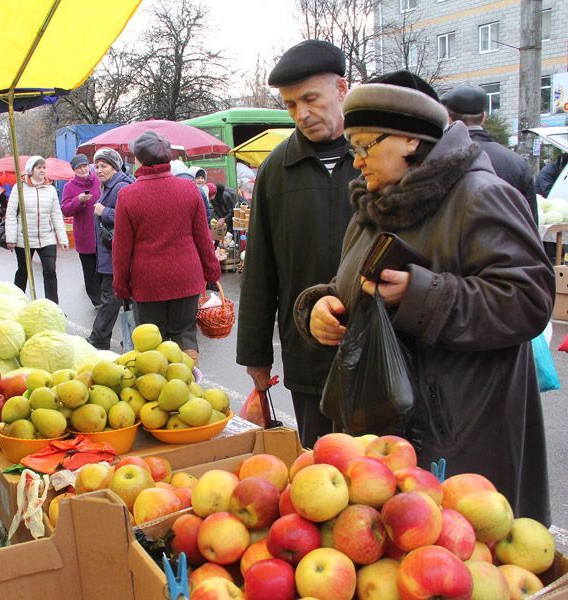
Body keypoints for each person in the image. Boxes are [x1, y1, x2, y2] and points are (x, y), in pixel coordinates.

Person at [294, 70, 553, 523]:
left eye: (365, 146)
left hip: (460, 432)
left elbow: (528, 298)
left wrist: (419, 294)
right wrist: (321, 307)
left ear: (410, 141)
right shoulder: (373, 205)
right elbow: (348, 284)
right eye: (353, 148)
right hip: (384, 430)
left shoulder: (481, 196)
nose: (356, 161)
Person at [236, 40, 359, 449]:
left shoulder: (374, 157)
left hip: (374, 347)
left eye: (310, 99)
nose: (301, 114)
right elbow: (260, 270)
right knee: (318, 462)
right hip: (306, 350)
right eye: (290, 105)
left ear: (341, 89)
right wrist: (255, 355)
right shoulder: (276, 168)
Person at [113, 132, 221, 364]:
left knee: (153, 340)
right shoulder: (189, 189)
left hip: (148, 282)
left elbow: (122, 248)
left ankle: (160, 389)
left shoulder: (128, 195)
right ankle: (189, 387)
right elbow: (203, 237)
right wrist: (212, 271)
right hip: (186, 278)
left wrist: (121, 284)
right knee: (184, 333)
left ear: (140, 161)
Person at [441, 84, 538, 224]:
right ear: (484, 117)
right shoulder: (516, 162)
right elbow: (531, 222)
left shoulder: (438, 160)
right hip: (506, 244)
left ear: (449, 119)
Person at [88, 148, 135, 349]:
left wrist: (104, 211)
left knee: (111, 298)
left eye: (103, 166)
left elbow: (129, 217)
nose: (98, 170)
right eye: (96, 166)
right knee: (125, 300)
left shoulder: (121, 187)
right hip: (111, 252)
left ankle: (98, 339)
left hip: (117, 254)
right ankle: (132, 340)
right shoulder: (108, 186)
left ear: (114, 167)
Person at [5, 156, 69, 303]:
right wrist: (11, 238)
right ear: (31, 170)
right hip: (24, 238)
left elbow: (56, 215)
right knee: (23, 271)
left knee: (50, 271)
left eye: (44, 167)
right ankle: (16, 303)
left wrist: (62, 238)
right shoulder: (19, 187)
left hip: (47, 238)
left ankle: (52, 306)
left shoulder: (51, 189)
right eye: (38, 167)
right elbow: (10, 213)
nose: (42, 170)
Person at [61, 154, 102, 308]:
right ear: (74, 170)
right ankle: (96, 300)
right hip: (85, 234)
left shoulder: (98, 179)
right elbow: (65, 209)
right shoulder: (69, 187)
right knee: (90, 270)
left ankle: (108, 298)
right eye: (79, 167)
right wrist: (78, 201)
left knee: (104, 268)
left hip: (102, 232)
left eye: (85, 165)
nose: (83, 169)